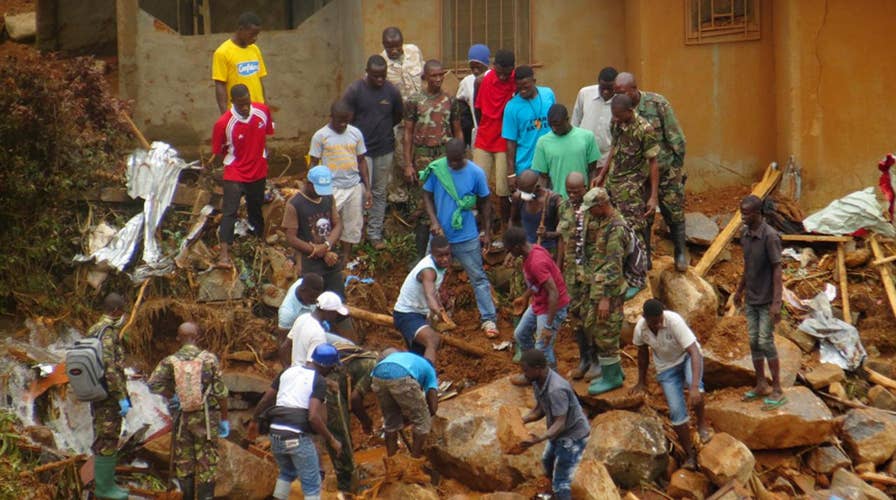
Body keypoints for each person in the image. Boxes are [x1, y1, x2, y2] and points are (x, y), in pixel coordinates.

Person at [422, 138, 500, 338]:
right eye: (450, 161)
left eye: (457, 161)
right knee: (430, 278)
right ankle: (430, 316)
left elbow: (485, 203)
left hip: (467, 236)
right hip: (440, 238)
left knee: (478, 277)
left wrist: (488, 232)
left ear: (465, 154)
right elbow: (427, 196)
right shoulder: (438, 169)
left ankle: (488, 319)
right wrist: (434, 221)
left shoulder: (476, 173)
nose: (453, 165)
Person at [615, 72, 688, 272]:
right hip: (639, 177)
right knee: (642, 216)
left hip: (665, 171)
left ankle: (680, 251)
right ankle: (645, 255)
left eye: (621, 92)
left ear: (633, 89)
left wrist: (675, 170)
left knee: (673, 210)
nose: (617, 96)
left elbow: (677, 139)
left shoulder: (657, 104)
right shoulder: (620, 110)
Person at [148, 322, 229, 500]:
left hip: (182, 417)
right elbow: (221, 392)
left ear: (178, 338)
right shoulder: (209, 359)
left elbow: (153, 385)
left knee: (184, 461)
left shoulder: (170, 361)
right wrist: (224, 419)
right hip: (206, 418)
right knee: (207, 461)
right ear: (197, 337)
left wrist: (173, 395)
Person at [252, 344, 343, 500]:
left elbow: (266, 399)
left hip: (275, 434)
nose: (332, 371)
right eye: (333, 367)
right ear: (326, 366)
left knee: (287, 472)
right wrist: (332, 440)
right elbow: (313, 417)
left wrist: (254, 421)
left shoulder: (288, 371)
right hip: (296, 436)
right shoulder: (318, 381)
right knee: (312, 483)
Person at [630, 299, 710, 470]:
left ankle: (702, 424)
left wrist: (694, 387)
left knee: (694, 385)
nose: (659, 324)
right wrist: (641, 382)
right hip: (666, 367)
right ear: (645, 318)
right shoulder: (640, 329)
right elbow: (642, 354)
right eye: (654, 321)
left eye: (660, 319)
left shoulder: (674, 321)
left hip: (687, 357)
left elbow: (694, 351)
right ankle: (690, 455)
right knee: (675, 410)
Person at [403, 59, 463, 257]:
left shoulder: (450, 101)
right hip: (422, 158)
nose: (438, 79)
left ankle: (447, 253)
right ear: (425, 77)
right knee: (421, 208)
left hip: (445, 157)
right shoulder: (414, 101)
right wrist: (408, 164)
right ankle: (421, 256)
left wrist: (460, 157)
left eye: (440, 75)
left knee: (447, 203)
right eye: (434, 76)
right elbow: (408, 134)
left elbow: (457, 131)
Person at [342, 55, 403, 249]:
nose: (380, 80)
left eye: (383, 76)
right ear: (367, 73)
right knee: (360, 192)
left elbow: (397, 116)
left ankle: (374, 233)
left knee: (379, 191)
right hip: (361, 152)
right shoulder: (354, 91)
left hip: (384, 149)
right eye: (376, 76)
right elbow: (345, 118)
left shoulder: (391, 91)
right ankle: (356, 233)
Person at [211, 83, 274, 268]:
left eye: (247, 103)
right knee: (229, 211)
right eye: (240, 105)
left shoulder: (262, 112)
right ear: (233, 103)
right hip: (235, 170)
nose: (245, 108)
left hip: (258, 169)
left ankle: (259, 244)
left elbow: (267, 135)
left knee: (256, 207)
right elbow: (220, 150)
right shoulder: (224, 123)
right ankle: (224, 254)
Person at [594, 93, 659, 269]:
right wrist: (602, 174)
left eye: (618, 114)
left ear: (630, 110)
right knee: (611, 224)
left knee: (634, 228)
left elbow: (653, 162)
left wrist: (653, 196)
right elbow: (613, 148)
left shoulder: (645, 129)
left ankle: (639, 269)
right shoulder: (616, 122)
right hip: (612, 182)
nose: (614, 118)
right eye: (613, 114)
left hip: (631, 187)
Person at [733, 195, 786, 409]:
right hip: (751, 299)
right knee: (753, 342)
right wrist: (738, 291)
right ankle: (760, 383)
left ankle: (778, 388)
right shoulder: (745, 235)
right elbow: (747, 267)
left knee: (766, 341)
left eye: (746, 213)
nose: (743, 217)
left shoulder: (770, 237)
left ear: (757, 213)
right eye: (741, 212)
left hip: (766, 300)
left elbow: (777, 269)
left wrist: (776, 302)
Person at [517, 349, 591, 500]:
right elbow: (540, 409)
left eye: (526, 370)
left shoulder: (556, 390)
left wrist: (539, 439)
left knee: (561, 480)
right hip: (558, 432)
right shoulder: (538, 382)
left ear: (537, 368)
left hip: (572, 436)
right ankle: (552, 493)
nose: (524, 374)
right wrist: (521, 421)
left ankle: (560, 493)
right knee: (547, 460)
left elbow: (560, 423)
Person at [504, 227, 570, 385]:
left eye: (509, 250)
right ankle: (532, 372)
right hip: (540, 303)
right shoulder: (530, 252)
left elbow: (553, 293)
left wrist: (548, 326)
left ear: (517, 247)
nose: (509, 254)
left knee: (543, 347)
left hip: (552, 306)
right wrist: (525, 296)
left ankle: (553, 382)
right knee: (521, 334)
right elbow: (536, 283)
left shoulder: (536, 262)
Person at [581, 187, 631, 395]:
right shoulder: (604, 222)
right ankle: (614, 371)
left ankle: (612, 379)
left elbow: (613, 267)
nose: (589, 213)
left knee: (606, 332)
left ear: (602, 206)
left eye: (592, 208)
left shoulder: (616, 229)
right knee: (598, 328)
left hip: (608, 292)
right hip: (599, 286)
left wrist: (605, 298)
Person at [309, 100, 371, 263]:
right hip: (331, 187)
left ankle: (345, 258)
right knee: (326, 223)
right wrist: (311, 187)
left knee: (352, 223)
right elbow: (314, 162)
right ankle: (325, 253)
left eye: (346, 121)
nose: (343, 124)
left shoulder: (355, 134)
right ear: (331, 117)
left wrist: (367, 187)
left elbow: (362, 160)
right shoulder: (320, 136)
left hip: (353, 186)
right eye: (340, 121)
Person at [88, 293, 131, 500]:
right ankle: (105, 490)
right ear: (115, 311)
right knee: (108, 438)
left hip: (97, 391)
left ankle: (106, 483)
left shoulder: (93, 329)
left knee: (102, 436)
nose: (123, 315)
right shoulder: (107, 332)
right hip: (107, 395)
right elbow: (110, 368)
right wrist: (120, 396)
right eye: (122, 311)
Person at [556, 172, 599, 380]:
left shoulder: (593, 207)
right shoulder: (563, 207)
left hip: (590, 272)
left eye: (576, 191)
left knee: (592, 316)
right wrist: (558, 267)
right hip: (571, 272)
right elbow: (562, 240)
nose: (573, 195)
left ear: (585, 188)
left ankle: (597, 361)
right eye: (569, 191)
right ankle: (584, 359)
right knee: (576, 316)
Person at [321, 338, 378, 494]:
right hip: (331, 388)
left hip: (330, 381)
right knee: (341, 435)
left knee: (338, 435)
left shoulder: (370, 357)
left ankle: (347, 476)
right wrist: (366, 422)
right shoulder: (374, 367)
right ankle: (348, 485)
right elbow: (355, 399)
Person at [282, 166, 345, 296]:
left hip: (331, 261)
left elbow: (338, 223)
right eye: (318, 189)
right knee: (312, 303)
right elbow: (291, 238)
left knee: (337, 300)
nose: (320, 193)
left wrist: (326, 245)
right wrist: (317, 251)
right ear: (308, 183)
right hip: (309, 264)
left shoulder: (328, 198)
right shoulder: (295, 204)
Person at [393, 235, 454, 365]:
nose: (444, 259)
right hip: (407, 314)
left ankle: (418, 380)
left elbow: (434, 290)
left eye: (447, 255)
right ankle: (429, 378)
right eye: (440, 256)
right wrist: (438, 313)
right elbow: (429, 294)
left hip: (420, 315)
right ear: (432, 254)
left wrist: (439, 307)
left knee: (418, 355)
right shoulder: (428, 270)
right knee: (432, 340)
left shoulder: (439, 266)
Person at [473, 49, 516, 225]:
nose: (504, 77)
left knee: (503, 189)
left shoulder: (517, 80)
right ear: (493, 66)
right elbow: (477, 108)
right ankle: (485, 226)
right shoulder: (482, 81)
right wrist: (482, 127)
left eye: (507, 73)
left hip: (504, 140)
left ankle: (505, 228)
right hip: (484, 138)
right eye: (500, 73)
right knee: (478, 184)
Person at [371, 348, 439, 458]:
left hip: (377, 374)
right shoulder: (430, 370)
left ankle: (392, 461)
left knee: (391, 423)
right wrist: (426, 414)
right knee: (422, 422)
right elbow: (433, 404)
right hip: (401, 374)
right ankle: (414, 460)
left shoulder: (410, 359)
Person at [532, 104, 601, 198]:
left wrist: (590, 194)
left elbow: (592, 170)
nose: (554, 129)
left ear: (567, 120)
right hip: (558, 201)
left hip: (582, 198)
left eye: (558, 125)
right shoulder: (543, 142)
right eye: (551, 125)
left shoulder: (587, 137)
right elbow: (543, 177)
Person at [502, 65, 555, 183]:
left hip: (552, 163)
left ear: (534, 81)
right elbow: (510, 142)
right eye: (519, 88)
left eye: (526, 87)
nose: (522, 91)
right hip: (527, 167)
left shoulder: (548, 94)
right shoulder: (511, 107)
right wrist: (511, 174)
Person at [212, 12, 267, 114]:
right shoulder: (222, 52)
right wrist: (225, 114)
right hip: (238, 111)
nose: (255, 38)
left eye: (257, 35)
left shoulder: (255, 50)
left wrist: (265, 107)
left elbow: (259, 80)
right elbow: (220, 85)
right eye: (252, 34)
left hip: (258, 110)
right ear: (241, 29)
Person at [282, 291, 350, 367]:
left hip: (294, 370)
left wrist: (288, 370)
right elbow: (311, 365)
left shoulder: (302, 318)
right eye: (335, 312)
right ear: (328, 312)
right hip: (305, 376)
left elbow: (285, 347)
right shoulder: (318, 334)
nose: (336, 315)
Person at [508, 169, 562, 257]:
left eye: (527, 191)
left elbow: (561, 233)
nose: (523, 195)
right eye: (521, 191)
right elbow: (513, 220)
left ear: (537, 186)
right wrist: (512, 246)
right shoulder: (518, 197)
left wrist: (547, 234)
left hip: (547, 250)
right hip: (525, 250)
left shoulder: (553, 200)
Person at [572, 67, 618, 161]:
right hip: (584, 154)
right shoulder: (584, 93)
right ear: (598, 83)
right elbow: (575, 121)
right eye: (602, 88)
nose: (605, 91)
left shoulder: (620, 101)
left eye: (609, 88)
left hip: (608, 157)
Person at [456, 44, 490, 147]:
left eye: (478, 67)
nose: (475, 71)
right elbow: (460, 105)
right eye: (472, 67)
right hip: (478, 134)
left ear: (486, 64)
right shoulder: (467, 81)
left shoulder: (494, 78)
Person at [380, 26, 424, 102]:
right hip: (400, 108)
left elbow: (423, 73)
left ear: (402, 42)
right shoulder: (380, 64)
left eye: (397, 46)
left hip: (420, 102)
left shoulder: (414, 51)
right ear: (384, 45)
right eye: (390, 48)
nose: (394, 51)